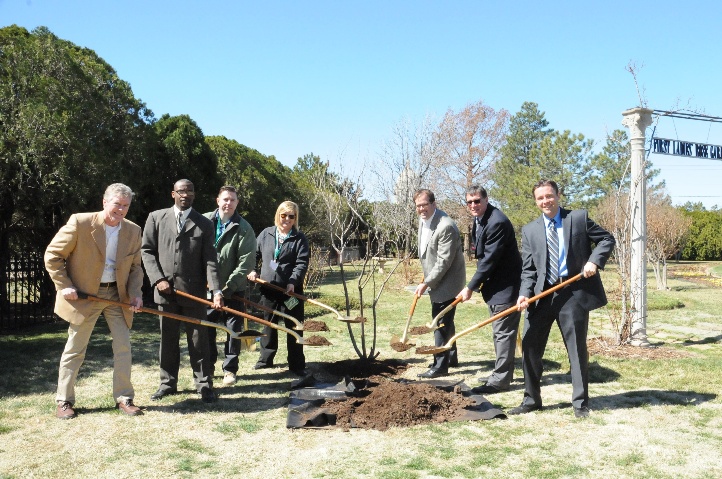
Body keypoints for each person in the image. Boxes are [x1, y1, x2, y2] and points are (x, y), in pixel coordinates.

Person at [511, 179, 615, 418]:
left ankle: (580, 403)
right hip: (541, 296)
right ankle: (531, 399)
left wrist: (594, 261)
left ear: (558, 195)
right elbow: (529, 270)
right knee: (530, 347)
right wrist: (524, 294)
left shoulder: (577, 218)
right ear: (536, 201)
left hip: (573, 294)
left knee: (576, 349)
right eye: (540, 198)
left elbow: (606, 239)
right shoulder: (529, 230)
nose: (545, 201)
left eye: (549, 196)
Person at [45, 183, 144, 419]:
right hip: (85, 295)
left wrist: (135, 293)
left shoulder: (133, 230)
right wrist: (64, 285)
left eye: (125, 206)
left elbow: (135, 267)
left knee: (123, 348)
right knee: (75, 348)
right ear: (104, 202)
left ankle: (124, 397)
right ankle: (64, 401)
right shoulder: (80, 222)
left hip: (116, 296)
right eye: (117, 204)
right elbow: (53, 255)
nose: (120, 210)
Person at [141, 179, 223, 404]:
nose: (185, 195)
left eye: (189, 191)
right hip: (165, 294)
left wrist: (216, 290)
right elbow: (146, 251)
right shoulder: (156, 218)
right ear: (173, 194)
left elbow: (210, 260)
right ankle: (167, 384)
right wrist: (157, 279)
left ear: (194, 195)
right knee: (168, 340)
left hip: (193, 294)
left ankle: (204, 384)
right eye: (181, 191)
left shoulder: (204, 224)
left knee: (199, 341)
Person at [456, 185, 522, 394]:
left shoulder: (497, 222)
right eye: (469, 202)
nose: (473, 205)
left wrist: (470, 287)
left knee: (503, 333)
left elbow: (489, 261)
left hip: (506, 287)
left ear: (486, 199)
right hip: (495, 288)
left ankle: (500, 381)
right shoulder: (481, 220)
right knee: (499, 332)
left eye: (477, 201)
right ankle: (501, 373)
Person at [247, 200, 309, 376]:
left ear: (295, 218)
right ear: (278, 215)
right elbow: (254, 254)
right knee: (268, 324)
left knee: (294, 325)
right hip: (268, 290)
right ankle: (265, 360)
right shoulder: (266, 234)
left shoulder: (299, 238)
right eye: (284, 215)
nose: (287, 219)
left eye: (292, 216)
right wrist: (252, 270)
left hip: (290, 293)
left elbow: (301, 263)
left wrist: (293, 281)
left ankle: (297, 365)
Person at [204, 185, 257, 386]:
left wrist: (225, 290)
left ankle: (230, 370)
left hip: (233, 289)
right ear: (218, 200)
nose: (228, 203)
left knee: (233, 330)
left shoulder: (244, 228)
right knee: (207, 328)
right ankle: (208, 367)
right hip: (206, 289)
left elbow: (246, 263)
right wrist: (210, 287)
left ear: (237, 203)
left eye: (232, 200)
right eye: (225, 199)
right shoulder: (203, 221)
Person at [413, 189, 466, 379]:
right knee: (446, 321)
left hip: (448, 282)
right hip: (437, 278)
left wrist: (427, 283)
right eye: (418, 206)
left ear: (434, 204)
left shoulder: (445, 226)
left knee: (440, 322)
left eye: (425, 205)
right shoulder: (424, 221)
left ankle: (440, 365)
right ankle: (451, 357)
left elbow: (444, 261)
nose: (421, 209)